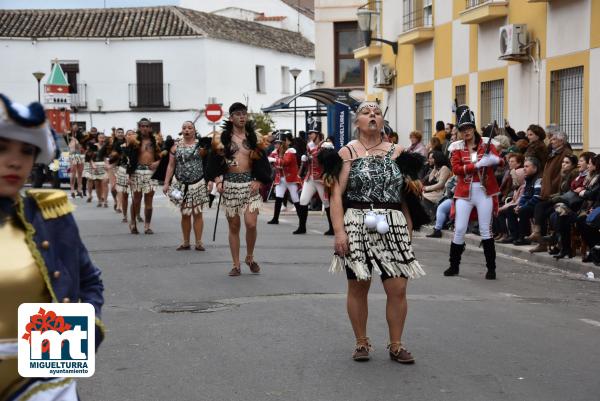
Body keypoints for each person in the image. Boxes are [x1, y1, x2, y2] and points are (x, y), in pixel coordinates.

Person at [0, 93, 104, 400]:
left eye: (27, 151)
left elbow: (88, 282)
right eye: (2, 148)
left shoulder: (49, 214)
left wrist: (66, 350)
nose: (15, 161)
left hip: (44, 385)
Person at [324, 101, 427, 363]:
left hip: (392, 222)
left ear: (383, 122)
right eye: (366, 112)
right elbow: (336, 196)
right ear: (356, 122)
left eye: (377, 113)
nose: (372, 115)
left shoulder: (399, 153)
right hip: (356, 221)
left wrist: (408, 230)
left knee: (398, 287)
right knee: (358, 285)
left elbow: (407, 199)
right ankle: (361, 342)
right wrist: (339, 232)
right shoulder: (346, 154)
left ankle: (396, 344)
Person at [206, 102, 272, 276]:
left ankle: (249, 257)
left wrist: (259, 180)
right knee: (234, 226)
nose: (242, 116)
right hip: (230, 186)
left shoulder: (254, 139)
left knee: (251, 224)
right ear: (231, 117)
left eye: (244, 113)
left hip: (250, 185)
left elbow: (263, 163)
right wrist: (218, 180)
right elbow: (214, 163)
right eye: (238, 114)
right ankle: (236, 264)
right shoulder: (222, 140)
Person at [444, 105, 503, 280]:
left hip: (484, 192)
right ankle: (454, 266)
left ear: (473, 128)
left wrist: (493, 160)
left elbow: (501, 162)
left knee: (486, 230)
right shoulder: (456, 147)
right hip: (464, 192)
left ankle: (491, 268)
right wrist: (475, 165)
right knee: (460, 229)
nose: (466, 132)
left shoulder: (487, 144)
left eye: (468, 128)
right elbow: (456, 169)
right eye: (462, 129)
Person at [163, 121, 210, 251]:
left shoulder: (201, 146)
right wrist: (166, 182)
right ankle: (186, 242)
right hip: (179, 184)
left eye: (190, 128)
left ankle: (199, 242)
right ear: (181, 131)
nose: (187, 130)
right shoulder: (175, 147)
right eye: (184, 128)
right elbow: (171, 165)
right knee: (184, 213)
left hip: (198, 182)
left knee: (197, 212)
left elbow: (207, 163)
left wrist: (210, 181)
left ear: (194, 130)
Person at [528, 131, 572, 252]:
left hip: (556, 191)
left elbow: (560, 174)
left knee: (543, 210)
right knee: (539, 208)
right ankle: (540, 240)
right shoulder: (553, 152)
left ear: (561, 142)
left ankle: (546, 240)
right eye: (551, 139)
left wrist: (552, 187)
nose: (551, 142)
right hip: (548, 189)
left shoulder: (565, 154)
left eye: (553, 140)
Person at [294, 129, 335, 235]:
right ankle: (302, 227)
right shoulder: (309, 145)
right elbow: (310, 160)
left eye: (311, 134)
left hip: (321, 179)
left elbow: (326, 158)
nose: (309, 135)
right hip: (310, 177)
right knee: (303, 200)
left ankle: (332, 228)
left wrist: (312, 153)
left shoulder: (326, 144)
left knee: (326, 203)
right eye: (309, 134)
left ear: (317, 134)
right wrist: (305, 159)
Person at [126, 118, 161, 234]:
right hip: (137, 171)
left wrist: (157, 163)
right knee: (136, 199)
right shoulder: (133, 141)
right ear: (139, 127)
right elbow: (129, 159)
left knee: (149, 200)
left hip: (151, 172)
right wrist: (129, 175)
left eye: (147, 126)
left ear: (150, 128)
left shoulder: (157, 140)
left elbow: (164, 156)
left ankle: (147, 226)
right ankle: (133, 223)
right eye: (142, 126)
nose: (145, 128)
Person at [266, 132, 301, 225]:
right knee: (278, 197)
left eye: (278, 143)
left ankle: (302, 220)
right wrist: (272, 159)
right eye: (275, 143)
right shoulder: (276, 151)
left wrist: (274, 160)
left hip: (290, 179)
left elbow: (285, 162)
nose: (276, 145)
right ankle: (275, 218)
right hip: (280, 178)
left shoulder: (290, 151)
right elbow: (268, 158)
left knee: (295, 198)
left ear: (283, 143)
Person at [513, 157, 543, 246]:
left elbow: (537, 197)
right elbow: (524, 195)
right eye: (524, 166)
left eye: (527, 166)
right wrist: (519, 205)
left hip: (536, 205)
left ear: (535, 168)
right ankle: (514, 236)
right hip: (528, 204)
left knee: (523, 211)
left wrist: (523, 206)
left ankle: (524, 237)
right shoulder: (528, 179)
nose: (524, 169)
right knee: (511, 210)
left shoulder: (538, 179)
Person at [421, 150, 452, 220]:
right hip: (436, 192)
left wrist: (427, 189)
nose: (430, 160)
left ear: (437, 159)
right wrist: (434, 168)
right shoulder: (438, 169)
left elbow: (441, 184)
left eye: (432, 158)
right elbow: (430, 180)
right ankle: (430, 216)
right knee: (421, 195)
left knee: (424, 195)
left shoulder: (444, 168)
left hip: (442, 193)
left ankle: (433, 216)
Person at [67, 123, 84, 198]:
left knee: (80, 173)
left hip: (80, 155)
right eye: (74, 127)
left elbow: (81, 145)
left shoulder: (81, 135)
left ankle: (79, 190)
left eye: (76, 127)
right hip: (72, 155)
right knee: (73, 173)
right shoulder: (68, 135)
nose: (75, 128)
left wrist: (77, 142)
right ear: (71, 128)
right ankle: (72, 189)